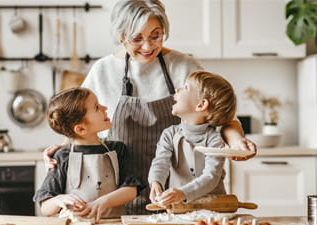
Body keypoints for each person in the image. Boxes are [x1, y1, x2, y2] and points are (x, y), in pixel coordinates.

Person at [43, 0, 257, 214]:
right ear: (121, 36)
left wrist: (237, 140)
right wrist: (62, 152)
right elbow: (78, 123)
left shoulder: (183, 65)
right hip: (120, 193)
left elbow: (222, 114)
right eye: (137, 38)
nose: (147, 47)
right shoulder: (103, 70)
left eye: (155, 36)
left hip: (181, 194)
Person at [33, 87, 145, 222]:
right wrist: (58, 200)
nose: (104, 108)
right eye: (97, 107)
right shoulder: (62, 156)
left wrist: (102, 202)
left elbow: (131, 190)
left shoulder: (118, 149)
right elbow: (45, 208)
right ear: (80, 129)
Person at [148, 70, 236, 206]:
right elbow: (161, 162)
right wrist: (156, 182)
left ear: (200, 105)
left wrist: (183, 193)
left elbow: (211, 177)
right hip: (179, 208)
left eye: (185, 88)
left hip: (213, 208)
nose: (177, 89)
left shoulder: (215, 139)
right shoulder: (169, 134)